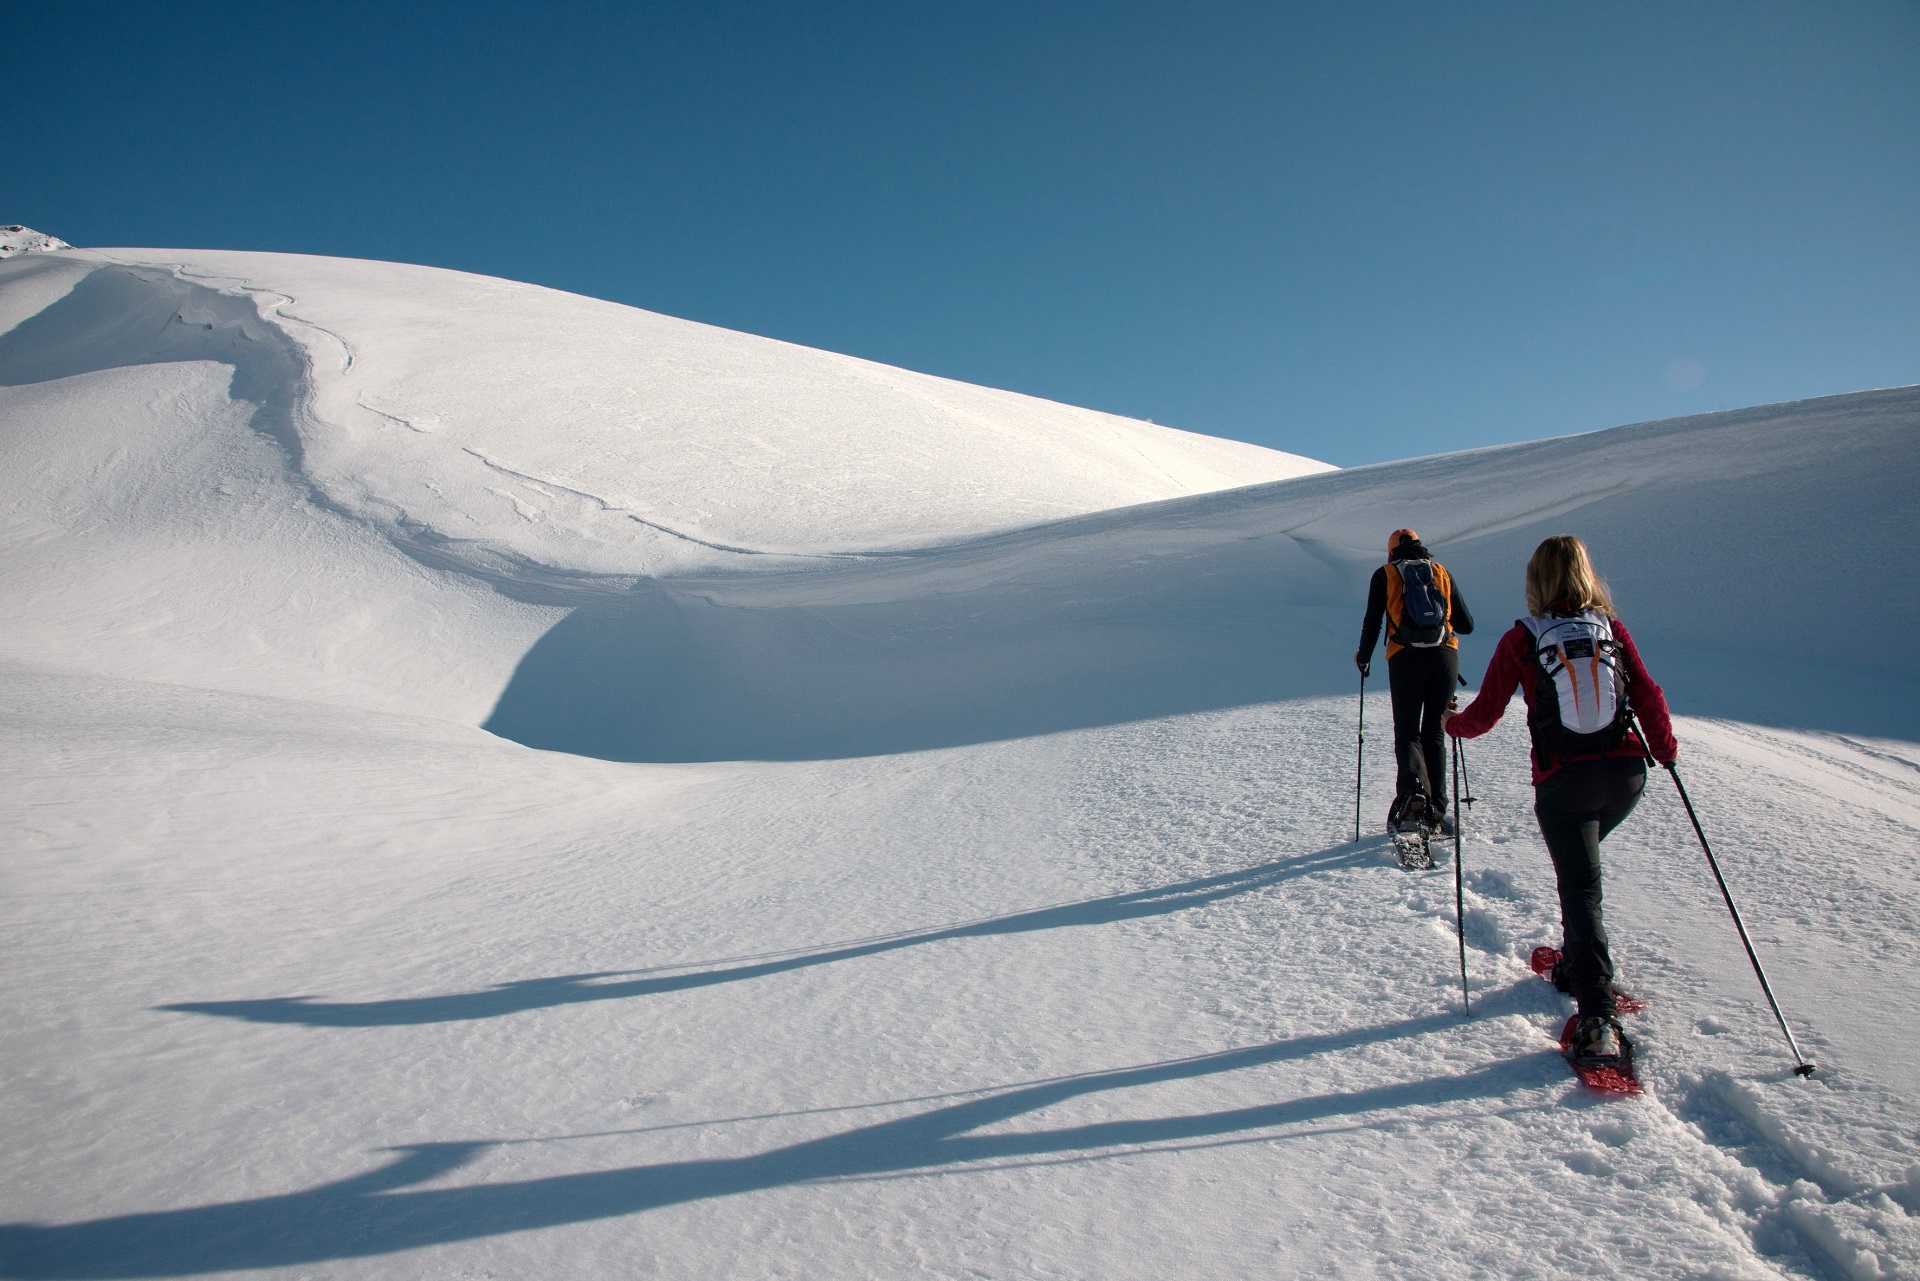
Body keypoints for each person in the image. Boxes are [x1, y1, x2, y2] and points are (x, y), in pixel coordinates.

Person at [1442, 535, 1679, 1063]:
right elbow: (1647, 692)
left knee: (1581, 887)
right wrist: (1664, 750)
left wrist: (1451, 724)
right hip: (1625, 778)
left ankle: (1597, 1016)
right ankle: (1577, 962)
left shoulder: (1523, 638)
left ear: (1536, 582)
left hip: (1564, 784)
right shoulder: (1610, 630)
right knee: (1582, 875)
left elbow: (1486, 713)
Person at [1356, 528, 1474, 835]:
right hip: (1445, 656)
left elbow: (1373, 620)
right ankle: (1437, 808)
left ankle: (1411, 800)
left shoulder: (1386, 574)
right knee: (1434, 732)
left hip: (1405, 658)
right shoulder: (1440, 572)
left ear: (1392, 551)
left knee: (1408, 733)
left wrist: (1363, 657)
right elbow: (1467, 624)